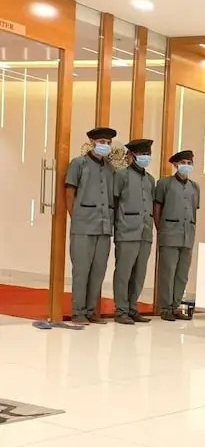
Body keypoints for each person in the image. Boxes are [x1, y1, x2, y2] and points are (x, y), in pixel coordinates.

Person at [65, 127, 118, 325]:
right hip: (83, 227)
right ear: (92, 142)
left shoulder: (110, 168)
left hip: (104, 227)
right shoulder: (78, 164)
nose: (106, 145)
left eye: (108, 142)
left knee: (98, 271)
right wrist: (76, 217)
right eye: (102, 141)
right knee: (81, 271)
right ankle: (78, 312)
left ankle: (90, 311)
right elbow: (69, 192)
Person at [111, 139, 156, 325]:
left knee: (139, 273)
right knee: (123, 272)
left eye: (147, 154)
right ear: (131, 156)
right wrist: (116, 228)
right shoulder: (121, 176)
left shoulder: (150, 180)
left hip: (145, 232)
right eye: (141, 154)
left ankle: (132, 307)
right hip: (127, 231)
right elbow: (114, 203)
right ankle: (121, 310)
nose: (145, 157)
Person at [153, 150, 200, 321]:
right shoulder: (164, 184)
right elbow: (157, 208)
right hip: (169, 234)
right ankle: (166, 308)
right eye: (183, 163)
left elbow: (193, 210)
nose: (186, 166)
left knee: (182, 273)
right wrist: (161, 229)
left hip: (187, 235)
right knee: (168, 272)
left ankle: (176, 306)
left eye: (189, 163)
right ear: (175, 165)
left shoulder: (195, 187)